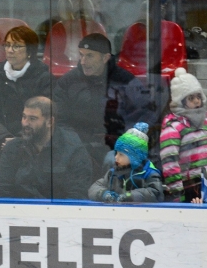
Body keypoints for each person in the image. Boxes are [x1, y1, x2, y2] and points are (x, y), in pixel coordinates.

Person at [53, 33, 156, 177]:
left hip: (116, 147)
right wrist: (75, 143)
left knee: (112, 161)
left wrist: (126, 140)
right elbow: (59, 119)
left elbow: (146, 113)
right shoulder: (68, 82)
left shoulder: (125, 81)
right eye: (81, 55)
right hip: (77, 146)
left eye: (89, 56)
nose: (83, 61)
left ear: (105, 58)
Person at [0, 96, 92, 199]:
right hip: (20, 210)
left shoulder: (73, 149)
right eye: (24, 117)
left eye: (32, 118)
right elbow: (3, 190)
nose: (25, 123)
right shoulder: (13, 148)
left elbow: (77, 195)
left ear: (50, 122)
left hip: (59, 212)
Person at [0, 26, 51, 155]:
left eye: (16, 46)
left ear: (30, 50)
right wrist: (3, 137)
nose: (10, 50)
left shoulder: (44, 79)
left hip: (34, 143)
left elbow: (45, 117)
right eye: (7, 45)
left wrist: (19, 141)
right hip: (1, 142)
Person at [159, 67, 207, 203]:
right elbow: (170, 163)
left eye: (198, 96)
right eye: (191, 98)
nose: (196, 101)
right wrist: (178, 194)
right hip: (189, 188)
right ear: (181, 101)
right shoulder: (173, 127)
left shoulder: (206, 123)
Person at [88, 122, 163, 203]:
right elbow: (95, 187)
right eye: (116, 153)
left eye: (121, 154)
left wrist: (131, 196)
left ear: (134, 157)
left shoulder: (148, 173)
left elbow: (155, 193)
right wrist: (104, 194)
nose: (116, 157)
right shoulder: (113, 173)